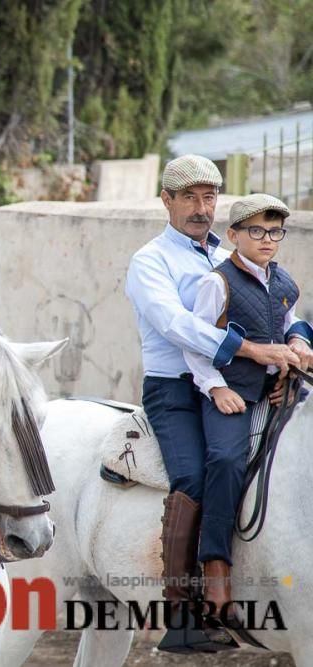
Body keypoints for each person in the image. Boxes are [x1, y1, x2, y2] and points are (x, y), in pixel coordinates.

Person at [125, 155, 310, 651]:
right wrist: (250, 350)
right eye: (188, 197)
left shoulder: (233, 252)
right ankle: (185, 614)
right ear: (166, 200)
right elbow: (175, 325)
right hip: (177, 388)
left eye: (208, 198)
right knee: (196, 474)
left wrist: (285, 357)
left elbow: (282, 306)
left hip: (245, 382)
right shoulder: (150, 261)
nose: (200, 208)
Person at [183, 193, 313, 619]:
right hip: (230, 391)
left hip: (276, 390)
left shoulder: (282, 281)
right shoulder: (216, 283)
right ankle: (215, 566)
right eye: (256, 231)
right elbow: (198, 345)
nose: (267, 239)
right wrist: (215, 388)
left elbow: (290, 320)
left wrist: (298, 343)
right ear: (233, 235)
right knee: (224, 461)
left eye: (275, 231)